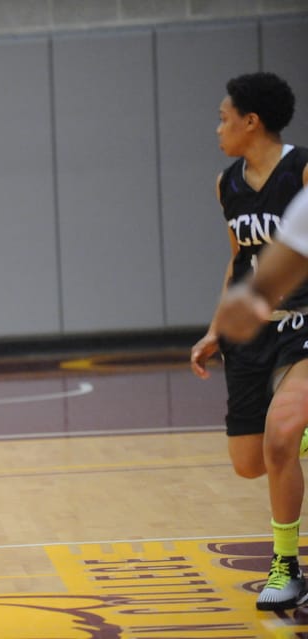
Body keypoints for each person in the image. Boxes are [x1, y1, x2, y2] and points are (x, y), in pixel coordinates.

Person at [190, 72, 308, 611]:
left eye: (223, 117)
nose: (218, 127)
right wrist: (217, 326)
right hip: (252, 331)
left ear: (250, 121)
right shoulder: (227, 184)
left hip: (302, 325)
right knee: (249, 460)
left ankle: (285, 565)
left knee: (280, 438)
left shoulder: (302, 170)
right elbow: (239, 261)